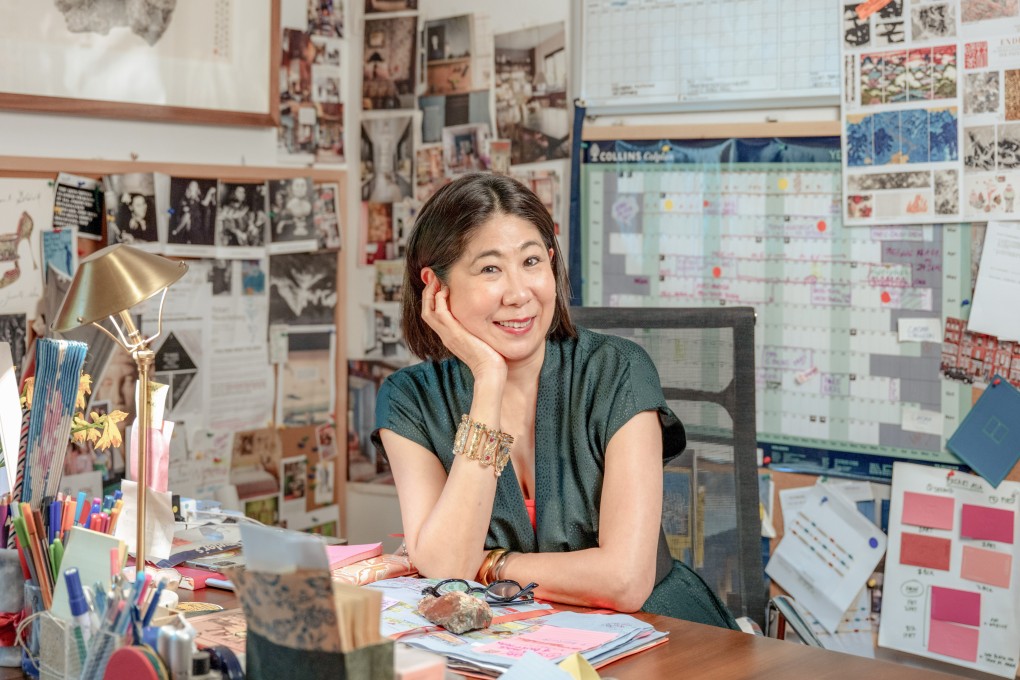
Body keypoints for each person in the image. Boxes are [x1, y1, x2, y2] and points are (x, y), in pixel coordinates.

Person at [372, 173, 736, 627]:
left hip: (659, 633)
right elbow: (446, 569)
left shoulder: (618, 370)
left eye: (530, 262)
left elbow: (625, 581)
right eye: (490, 268)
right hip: (510, 644)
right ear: (436, 287)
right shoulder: (410, 399)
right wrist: (488, 380)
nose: (519, 293)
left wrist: (491, 565)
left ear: (550, 263)